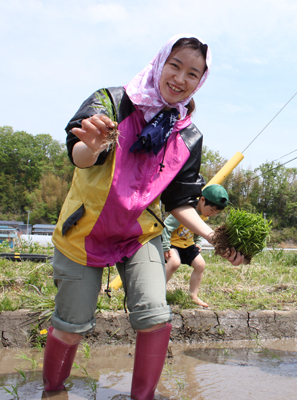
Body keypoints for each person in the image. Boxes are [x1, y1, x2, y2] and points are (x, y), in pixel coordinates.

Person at [42, 34, 243, 400]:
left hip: (138, 235)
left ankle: (143, 397)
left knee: (155, 317)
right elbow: (78, 155)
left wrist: (213, 238)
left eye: (193, 74)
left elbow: (181, 201)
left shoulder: (188, 134)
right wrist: (93, 144)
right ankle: (52, 392)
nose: (181, 79)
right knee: (72, 326)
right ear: (160, 63)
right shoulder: (112, 102)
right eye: (175, 66)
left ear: (201, 82)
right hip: (83, 231)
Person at [163, 184, 229, 307]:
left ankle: (193, 296)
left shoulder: (204, 216)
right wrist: (165, 245)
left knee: (200, 265)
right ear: (202, 200)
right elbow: (165, 227)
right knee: (174, 263)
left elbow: (198, 231)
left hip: (187, 244)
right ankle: (158, 293)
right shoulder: (184, 211)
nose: (212, 214)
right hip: (172, 243)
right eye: (212, 210)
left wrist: (198, 243)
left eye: (216, 213)